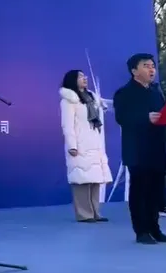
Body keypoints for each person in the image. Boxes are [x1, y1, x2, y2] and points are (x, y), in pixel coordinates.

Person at [113, 53, 166, 244]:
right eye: (146, 66)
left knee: (155, 191)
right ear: (134, 71)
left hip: (158, 147)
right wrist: (145, 118)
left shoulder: (156, 92)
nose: (151, 69)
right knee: (140, 191)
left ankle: (155, 230)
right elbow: (122, 118)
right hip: (137, 149)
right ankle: (141, 231)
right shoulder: (124, 93)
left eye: (153, 66)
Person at [59, 69, 112, 223]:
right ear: (72, 80)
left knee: (94, 180)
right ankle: (84, 214)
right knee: (81, 180)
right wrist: (72, 145)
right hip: (79, 144)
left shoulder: (91, 97)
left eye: (84, 76)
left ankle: (95, 212)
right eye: (80, 76)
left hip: (94, 143)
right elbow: (67, 125)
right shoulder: (68, 100)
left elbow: (103, 108)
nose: (84, 78)